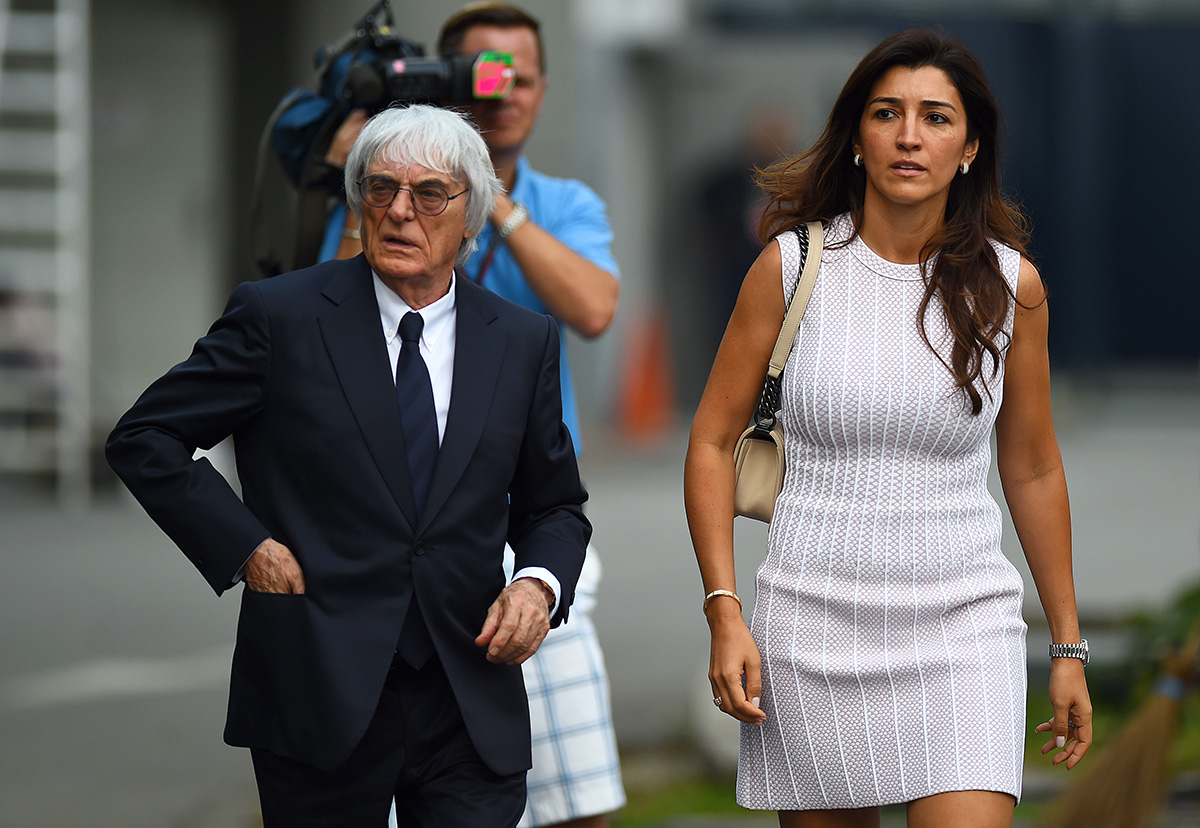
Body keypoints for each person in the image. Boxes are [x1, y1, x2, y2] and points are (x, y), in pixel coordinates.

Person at [106, 104, 590, 828]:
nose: (400, 211)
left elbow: (553, 506)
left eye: (429, 194)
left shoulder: (521, 340)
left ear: (472, 218)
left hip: (469, 691)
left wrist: (538, 584)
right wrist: (246, 547)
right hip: (318, 684)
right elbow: (145, 435)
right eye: (380, 188)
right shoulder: (280, 318)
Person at [683, 29, 1092, 828]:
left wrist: (1068, 647)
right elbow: (708, 442)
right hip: (809, 632)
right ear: (858, 137)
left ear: (970, 146)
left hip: (963, 632)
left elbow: (1035, 470)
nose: (910, 135)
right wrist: (724, 610)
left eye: (937, 117)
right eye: (887, 113)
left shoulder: (1014, 290)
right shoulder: (790, 268)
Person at [323, 5, 626, 827]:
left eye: (519, 77)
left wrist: (484, 197)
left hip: (524, 525)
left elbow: (595, 308)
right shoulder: (386, 204)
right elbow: (327, 319)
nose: (504, 94)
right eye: (482, 76)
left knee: (575, 801)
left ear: (544, 88)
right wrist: (384, 186)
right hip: (399, 526)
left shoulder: (564, 202)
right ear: (443, 84)